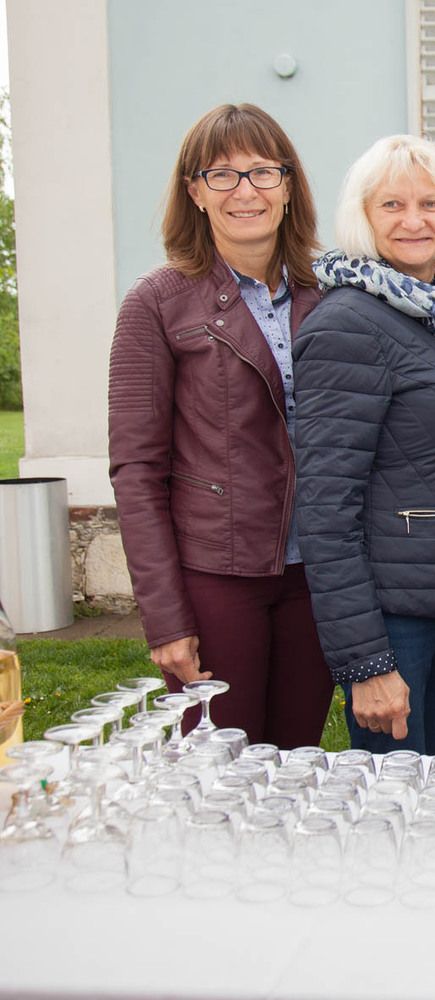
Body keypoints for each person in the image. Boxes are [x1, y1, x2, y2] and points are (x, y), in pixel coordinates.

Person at [108, 103, 332, 747]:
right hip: (217, 575)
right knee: (221, 769)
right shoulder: (156, 303)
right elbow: (136, 470)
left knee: (296, 762)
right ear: (195, 192)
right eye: (222, 175)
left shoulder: (330, 294)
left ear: (287, 186)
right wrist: (165, 619)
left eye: (262, 172)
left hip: (319, 572)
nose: (245, 191)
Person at [293, 135, 435, 754]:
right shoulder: (347, 325)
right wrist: (366, 663)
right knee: (394, 798)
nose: (415, 220)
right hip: (392, 618)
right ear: (362, 216)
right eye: (392, 205)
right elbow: (326, 510)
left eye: (431, 203)